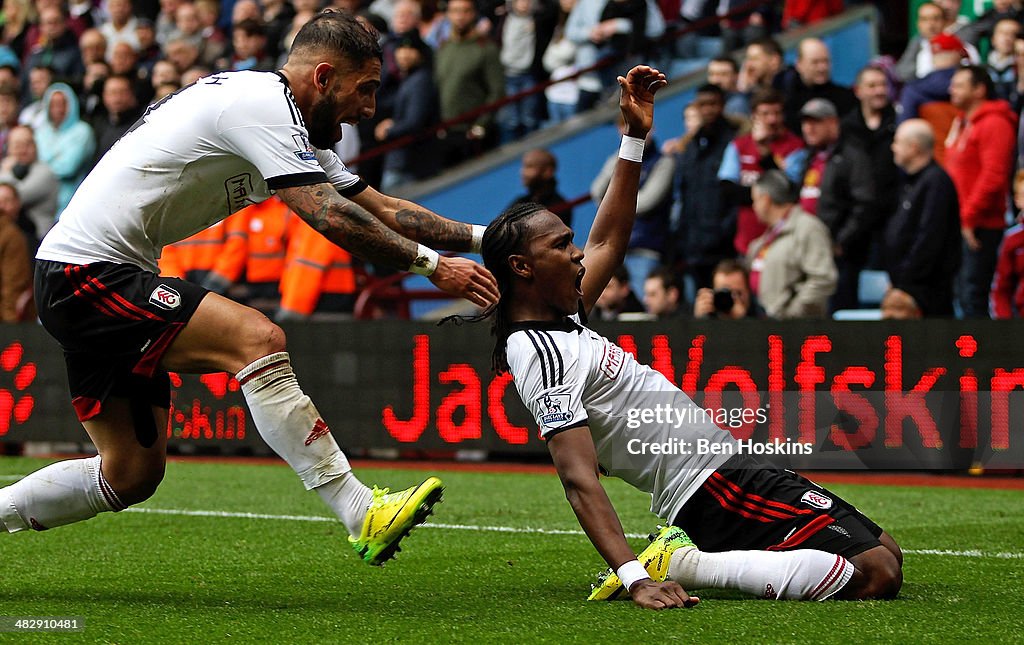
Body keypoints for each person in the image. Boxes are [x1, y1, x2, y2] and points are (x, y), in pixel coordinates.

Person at [1, 11, 499, 570]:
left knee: (131, 474)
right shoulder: (260, 106)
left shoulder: (287, 128)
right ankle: (360, 510)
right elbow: (330, 216)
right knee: (256, 340)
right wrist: (432, 267)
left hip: (97, 273)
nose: (369, 109)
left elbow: (382, 208)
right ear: (323, 77)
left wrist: (489, 240)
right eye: (366, 89)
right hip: (86, 274)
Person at [457, 65, 902, 609]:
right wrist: (632, 576)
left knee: (886, 549)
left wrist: (633, 138)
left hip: (732, 467)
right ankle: (683, 561)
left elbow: (609, 240)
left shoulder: (564, 315)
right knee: (876, 574)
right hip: (710, 491)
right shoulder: (539, 352)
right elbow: (577, 479)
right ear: (523, 267)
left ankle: (687, 555)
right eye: (561, 245)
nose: (577, 253)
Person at [945, 65, 1017, 318]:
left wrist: (969, 217)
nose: (950, 90)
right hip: (962, 223)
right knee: (961, 294)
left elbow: (993, 177)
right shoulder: (963, 122)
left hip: (981, 224)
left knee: (973, 294)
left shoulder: (995, 123)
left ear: (979, 90)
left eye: (959, 85)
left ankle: (979, 356)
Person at [886, 119, 960, 317]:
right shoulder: (909, 182)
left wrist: (905, 281)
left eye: (897, 142)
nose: (893, 147)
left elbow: (929, 237)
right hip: (906, 285)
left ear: (914, 147)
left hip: (927, 294)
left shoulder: (936, 182)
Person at [747, 170, 836, 319]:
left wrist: (791, 314)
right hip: (768, 326)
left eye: (755, 200)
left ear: (766, 199)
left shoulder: (808, 228)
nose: (754, 207)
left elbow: (823, 279)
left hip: (797, 331)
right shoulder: (769, 235)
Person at [507, 148, 573, 227]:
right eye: (523, 167)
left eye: (529, 166)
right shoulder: (520, 202)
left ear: (548, 171)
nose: (522, 172)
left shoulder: (559, 205)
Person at [693, 258, 757, 319]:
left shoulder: (760, 315)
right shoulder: (708, 313)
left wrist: (743, 321)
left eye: (738, 293)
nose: (731, 299)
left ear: (749, 292)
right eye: (723, 292)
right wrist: (700, 321)